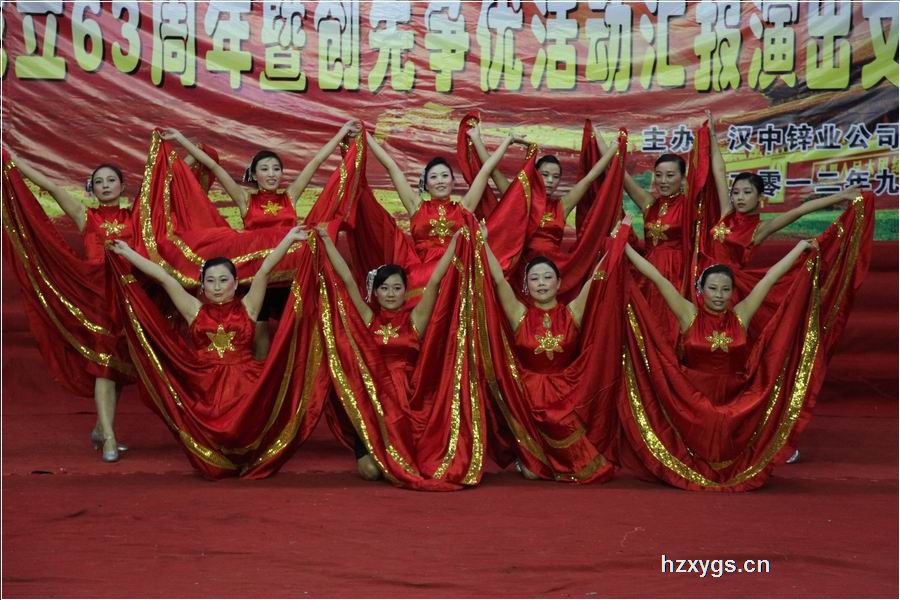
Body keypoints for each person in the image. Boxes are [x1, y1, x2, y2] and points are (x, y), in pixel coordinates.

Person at [620, 238, 823, 490]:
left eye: (725, 290)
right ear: (701, 290)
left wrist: (799, 248)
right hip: (691, 397)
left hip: (734, 396)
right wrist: (624, 247)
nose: (719, 295)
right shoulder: (688, 314)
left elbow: (770, 279)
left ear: (732, 292)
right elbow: (658, 279)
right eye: (713, 289)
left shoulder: (741, 314)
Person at [109, 226, 309, 476]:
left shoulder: (249, 307)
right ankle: (220, 459)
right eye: (210, 281)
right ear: (202, 285)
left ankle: (248, 458)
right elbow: (165, 278)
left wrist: (288, 239)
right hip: (205, 385)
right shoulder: (194, 310)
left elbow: (265, 270)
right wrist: (128, 253)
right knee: (213, 449)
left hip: (247, 384)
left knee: (248, 426)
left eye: (223, 280)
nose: (217, 287)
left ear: (235, 283)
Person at [161, 121, 360, 356]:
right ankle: (260, 376)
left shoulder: (290, 197)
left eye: (276, 169)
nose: (271, 174)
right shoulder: (245, 200)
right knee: (261, 335)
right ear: (254, 174)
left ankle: (294, 376)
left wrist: (341, 133)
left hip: (289, 277)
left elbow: (316, 162)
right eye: (265, 169)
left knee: (298, 332)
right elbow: (213, 167)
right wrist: (180, 139)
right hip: (258, 278)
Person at [6, 147, 134, 462]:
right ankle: (109, 438)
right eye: (99, 181)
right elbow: (51, 187)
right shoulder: (85, 215)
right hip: (97, 300)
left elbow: (165, 191)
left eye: (111, 180)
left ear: (122, 186)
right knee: (105, 366)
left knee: (120, 366)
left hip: (131, 300)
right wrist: (13, 161)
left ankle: (100, 427)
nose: (105, 185)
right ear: (92, 189)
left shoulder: (138, 217)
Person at [479, 218, 630, 483]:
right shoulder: (519, 315)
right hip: (526, 395)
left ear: (558, 283)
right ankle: (531, 458)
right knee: (532, 474)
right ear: (526, 285)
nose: (541, 283)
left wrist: (617, 241)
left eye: (548, 277)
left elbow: (597, 279)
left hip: (567, 392)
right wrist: (484, 244)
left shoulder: (572, 313)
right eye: (534, 278)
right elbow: (498, 281)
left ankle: (548, 461)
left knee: (593, 471)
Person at [317, 224, 461, 483]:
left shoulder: (415, 320)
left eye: (397, 288)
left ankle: (398, 458)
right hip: (372, 402)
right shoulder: (368, 318)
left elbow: (436, 280)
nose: (391, 294)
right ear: (375, 292)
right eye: (384, 288)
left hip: (409, 402)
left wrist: (455, 244)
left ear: (406, 291)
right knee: (371, 472)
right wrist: (326, 240)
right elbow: (347, 279)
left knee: (410, 465)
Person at [466, 124, 619, 255]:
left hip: (551, 269)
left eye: (556, 176)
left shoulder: (562, 206)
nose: (550, 180)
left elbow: (590, 178)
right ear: (535, 175)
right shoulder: (520, 200)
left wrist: (612, 149)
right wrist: (476, 138)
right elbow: (493, 172)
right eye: (545, 175)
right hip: (522, 272)